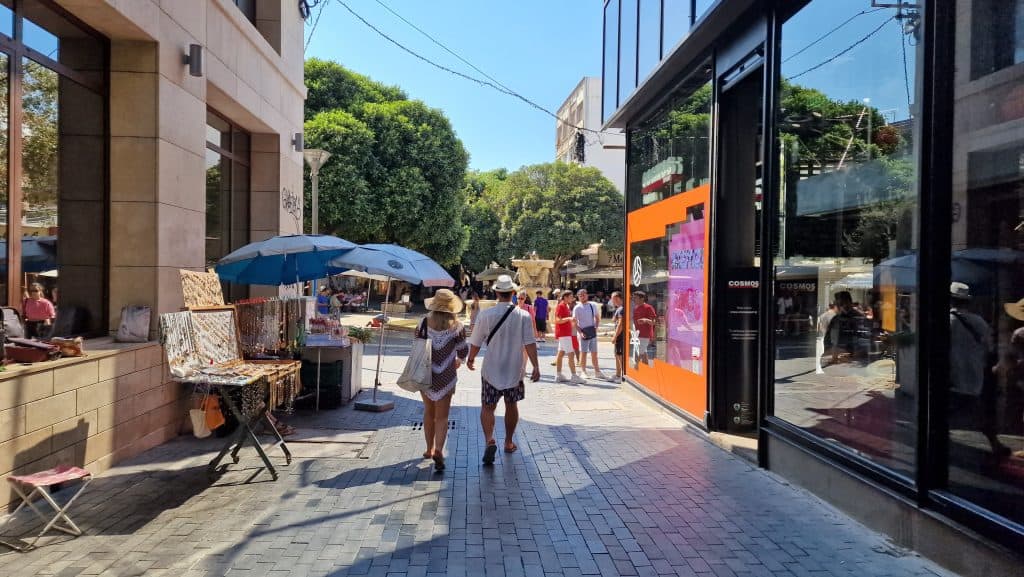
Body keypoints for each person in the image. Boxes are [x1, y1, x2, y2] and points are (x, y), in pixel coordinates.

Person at [466, 275, 540, 465]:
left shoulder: (486, 315)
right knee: (511, 405)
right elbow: (530, 343)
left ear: (497, 292)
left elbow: (475, 341)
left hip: (491, 369)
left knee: (488, 406)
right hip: (514, 369)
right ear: (513, 293)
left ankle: (490, 439)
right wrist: (536, 366)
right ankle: (508, 442)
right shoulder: (523, 315)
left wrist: (471, 358)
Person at [949, 282, 1010, 460]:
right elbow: (989, 349)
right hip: (975, 378)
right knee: (980, 413)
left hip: (952, 377)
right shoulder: (980, 322)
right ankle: (995, 444)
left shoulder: (945, 321)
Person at [415, 289, 469, 472]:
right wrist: (459, 361)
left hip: (426, 374)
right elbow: (463, 351)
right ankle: (439, 449)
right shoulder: (457, 327)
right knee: (443, 417)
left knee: (429, 412)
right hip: (446, 375)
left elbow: (416, 344)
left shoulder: (423, 323)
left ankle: (428, 449)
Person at [824, 291, 867, 364]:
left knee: (835, 333)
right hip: (847, 337)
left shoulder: (849, 313)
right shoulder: (847, 312)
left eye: (838, 300)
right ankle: (837, 356)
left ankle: (835, 357)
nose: (836, 302)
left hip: (848, 336)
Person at [573, 288, 607, 380]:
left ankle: (597, 371)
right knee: (583, 353)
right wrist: (580, 333)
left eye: (583, 294)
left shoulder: (592, 306)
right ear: (578, 297)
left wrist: (596, 328)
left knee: (594, 353)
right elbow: (575, 322)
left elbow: (597, 318)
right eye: (580, 295)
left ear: (587, 295)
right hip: (583, 332)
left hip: (592, 332)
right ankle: (583, 371)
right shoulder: (577, 308)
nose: (582, 297)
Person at [554, 291, 585, 384]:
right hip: (564, 334)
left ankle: (559, 375)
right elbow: (557, 320)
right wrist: (569, 318)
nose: (573, 298)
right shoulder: (561, 306)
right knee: (571, 355)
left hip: (565, 333)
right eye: (571, 297)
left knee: (560, 354)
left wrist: (570, 321)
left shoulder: (565, 305)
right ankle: (574, 376)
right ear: (566, 297)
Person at [632, 291, 657, 366]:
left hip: (645, 334)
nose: (634, 299)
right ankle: (645, 369)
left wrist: (645, 320)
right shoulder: (636, 308)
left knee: (639, 353)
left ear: (642, 298)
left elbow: (654, 322)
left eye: (635, 298)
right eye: (633, 297)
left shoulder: (648, 307)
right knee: (643, 352)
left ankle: (635, 368)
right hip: (638, 334)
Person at [611, 291, 624, 381]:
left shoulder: (621, 309)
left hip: (620, 335)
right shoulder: (619, 308)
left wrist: (615, 336)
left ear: (617, 298)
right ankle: (618, 374)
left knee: (619, 355)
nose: (612, 301)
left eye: (613, 299)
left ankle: (622, 375)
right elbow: (614, 320)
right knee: (617, 354)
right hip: (619, 334)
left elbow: (620, 324)